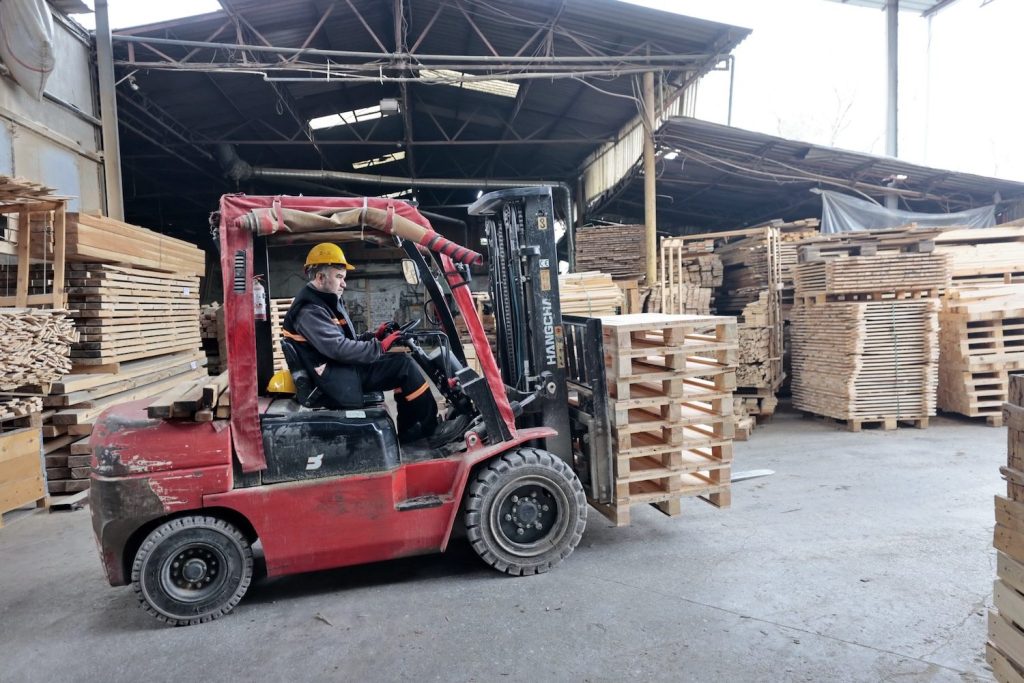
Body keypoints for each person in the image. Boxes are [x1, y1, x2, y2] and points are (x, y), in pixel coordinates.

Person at [280, 243, 469, 448]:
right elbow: (339, 349)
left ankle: (410, 431)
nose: (344, 284)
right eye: (339, 277)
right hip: (333, 378)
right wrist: (379, 346)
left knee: (400, 364)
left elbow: (345, 341)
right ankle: (429, 429)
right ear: (320, 277)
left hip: (338, 370)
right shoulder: (310, 310)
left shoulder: (323, 302)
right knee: (403, 366)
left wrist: (374, 336)